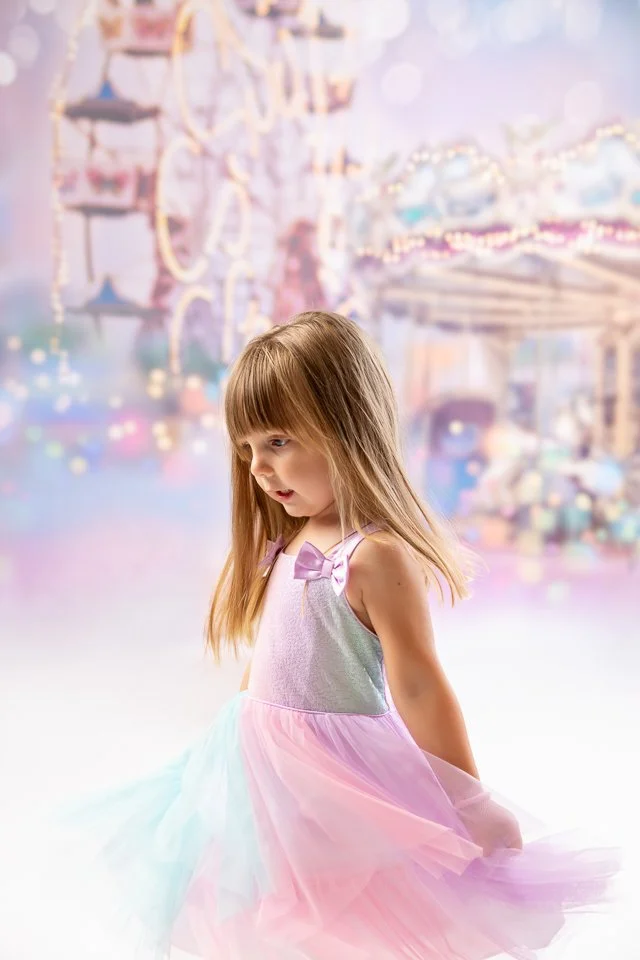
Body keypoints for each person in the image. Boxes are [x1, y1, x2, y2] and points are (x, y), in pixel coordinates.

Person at [59, 311, 622, 959]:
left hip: (335, 776)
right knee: (266, 909)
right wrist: (232, 738)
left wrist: (464, 797)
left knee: (346, 913)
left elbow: (416, 681)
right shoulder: (291, 537)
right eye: (246, 450)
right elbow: (271, 657)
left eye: (277, 442)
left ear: (346, 425)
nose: (259, 470)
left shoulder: (372, 556)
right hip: (261, 766)